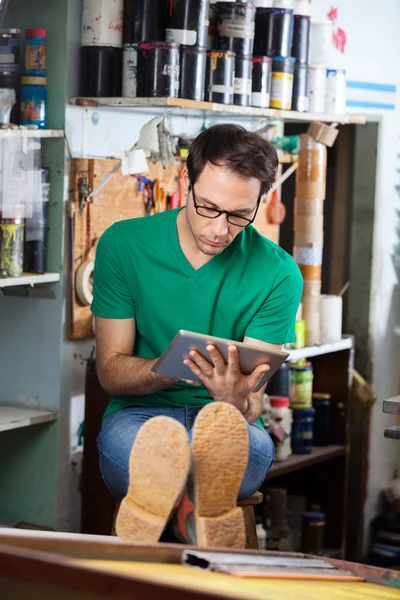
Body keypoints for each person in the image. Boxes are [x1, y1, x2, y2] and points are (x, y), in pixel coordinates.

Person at [91, 123, 303, 547]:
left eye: (240, 215)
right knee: (154, 454)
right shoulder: (123, 245)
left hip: (229, 424)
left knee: (231, 451)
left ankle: (180, 509)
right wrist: (169, 369)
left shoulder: (279, 273)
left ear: (261, 201)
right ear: (186, 182)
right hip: (139, 417)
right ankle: (200, 509)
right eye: (208, 207)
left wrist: (233, 397)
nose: (220, 229)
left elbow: (252, 402)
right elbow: (111, 373)